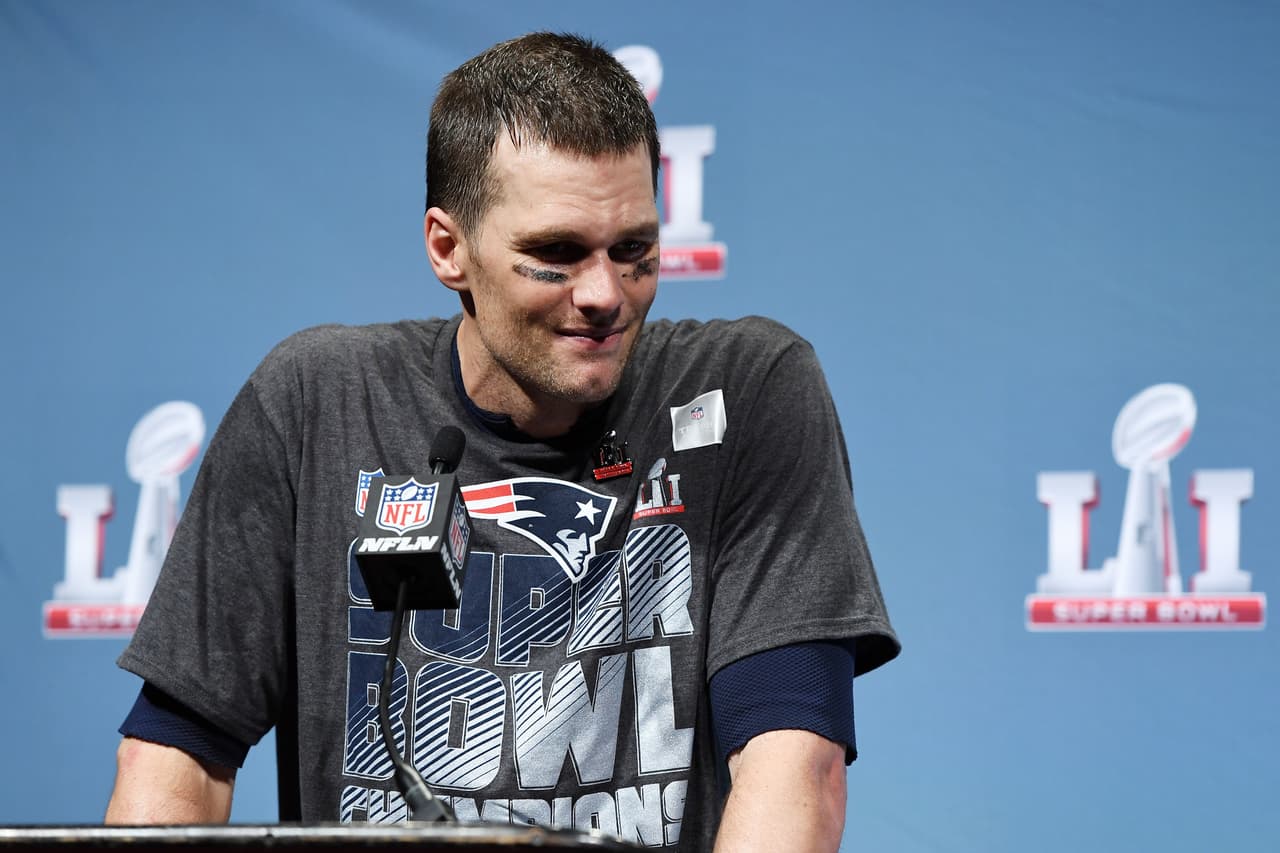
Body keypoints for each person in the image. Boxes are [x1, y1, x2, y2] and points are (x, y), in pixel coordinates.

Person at [105, 32, 899, 852]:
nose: (605, 294)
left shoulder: (749, 392)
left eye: (634, 250)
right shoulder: (315, 402)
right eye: (555, 255)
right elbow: (176, 756)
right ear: (449, 249)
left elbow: (793, 765)